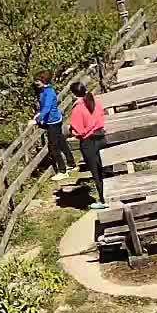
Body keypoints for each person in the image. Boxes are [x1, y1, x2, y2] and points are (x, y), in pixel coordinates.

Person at [68, 79, 108, 209]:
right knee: (105, 168)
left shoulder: (78, 109)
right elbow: (102, 116)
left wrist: (72, 131)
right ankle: (110, 195)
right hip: (101, 137)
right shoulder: (95, 102)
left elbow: (78, 131)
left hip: (88, 142)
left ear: (74, 94)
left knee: (96, 172)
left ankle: (104, 200)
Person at [34, 71, 70, 176]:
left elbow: (47, 108)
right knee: (61, 142)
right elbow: (44, 107)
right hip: (54, 120)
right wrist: (39, 114)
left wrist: (37, 120)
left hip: (53, 122)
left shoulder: (49, 93)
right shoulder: (44, 91)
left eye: (37, 80)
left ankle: (62, 170)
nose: (36, 83)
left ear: (43, 80)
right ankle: (71, 163)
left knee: (54, 147)